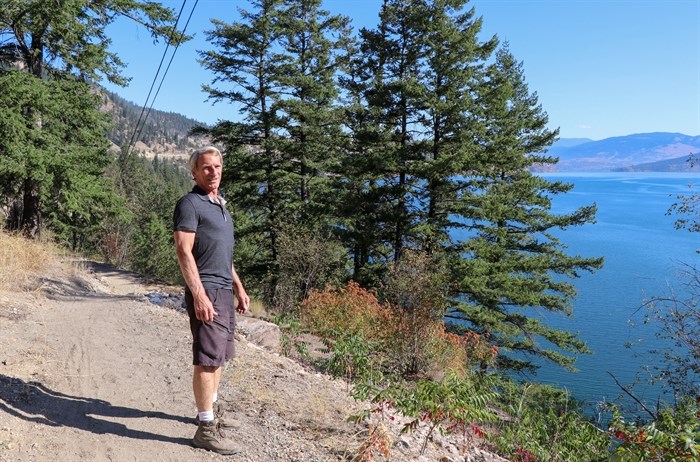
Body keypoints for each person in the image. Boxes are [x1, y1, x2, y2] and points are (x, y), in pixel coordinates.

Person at [173, 146, 249, 455]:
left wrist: (239, 288)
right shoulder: (190, 204)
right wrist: (199, 293)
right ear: (194, 172)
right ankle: (205, 429)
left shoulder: (219, 205)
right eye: (206, 167)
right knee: (207, 359)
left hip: (223, 291)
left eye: (217, 166)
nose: (213, 171)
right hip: (207, 291)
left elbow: (223, 255)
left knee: (219, 357)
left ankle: (211, 411)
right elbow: (182, 249)